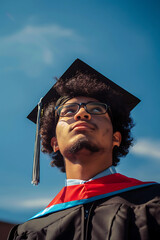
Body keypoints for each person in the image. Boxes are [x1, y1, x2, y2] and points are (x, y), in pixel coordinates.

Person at [8, 59, 160, 240]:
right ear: (54, 142)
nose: (82, 114)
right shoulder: (30, 232)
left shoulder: (153, 202)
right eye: (68, 111)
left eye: (96, 109)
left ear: (115, 138)